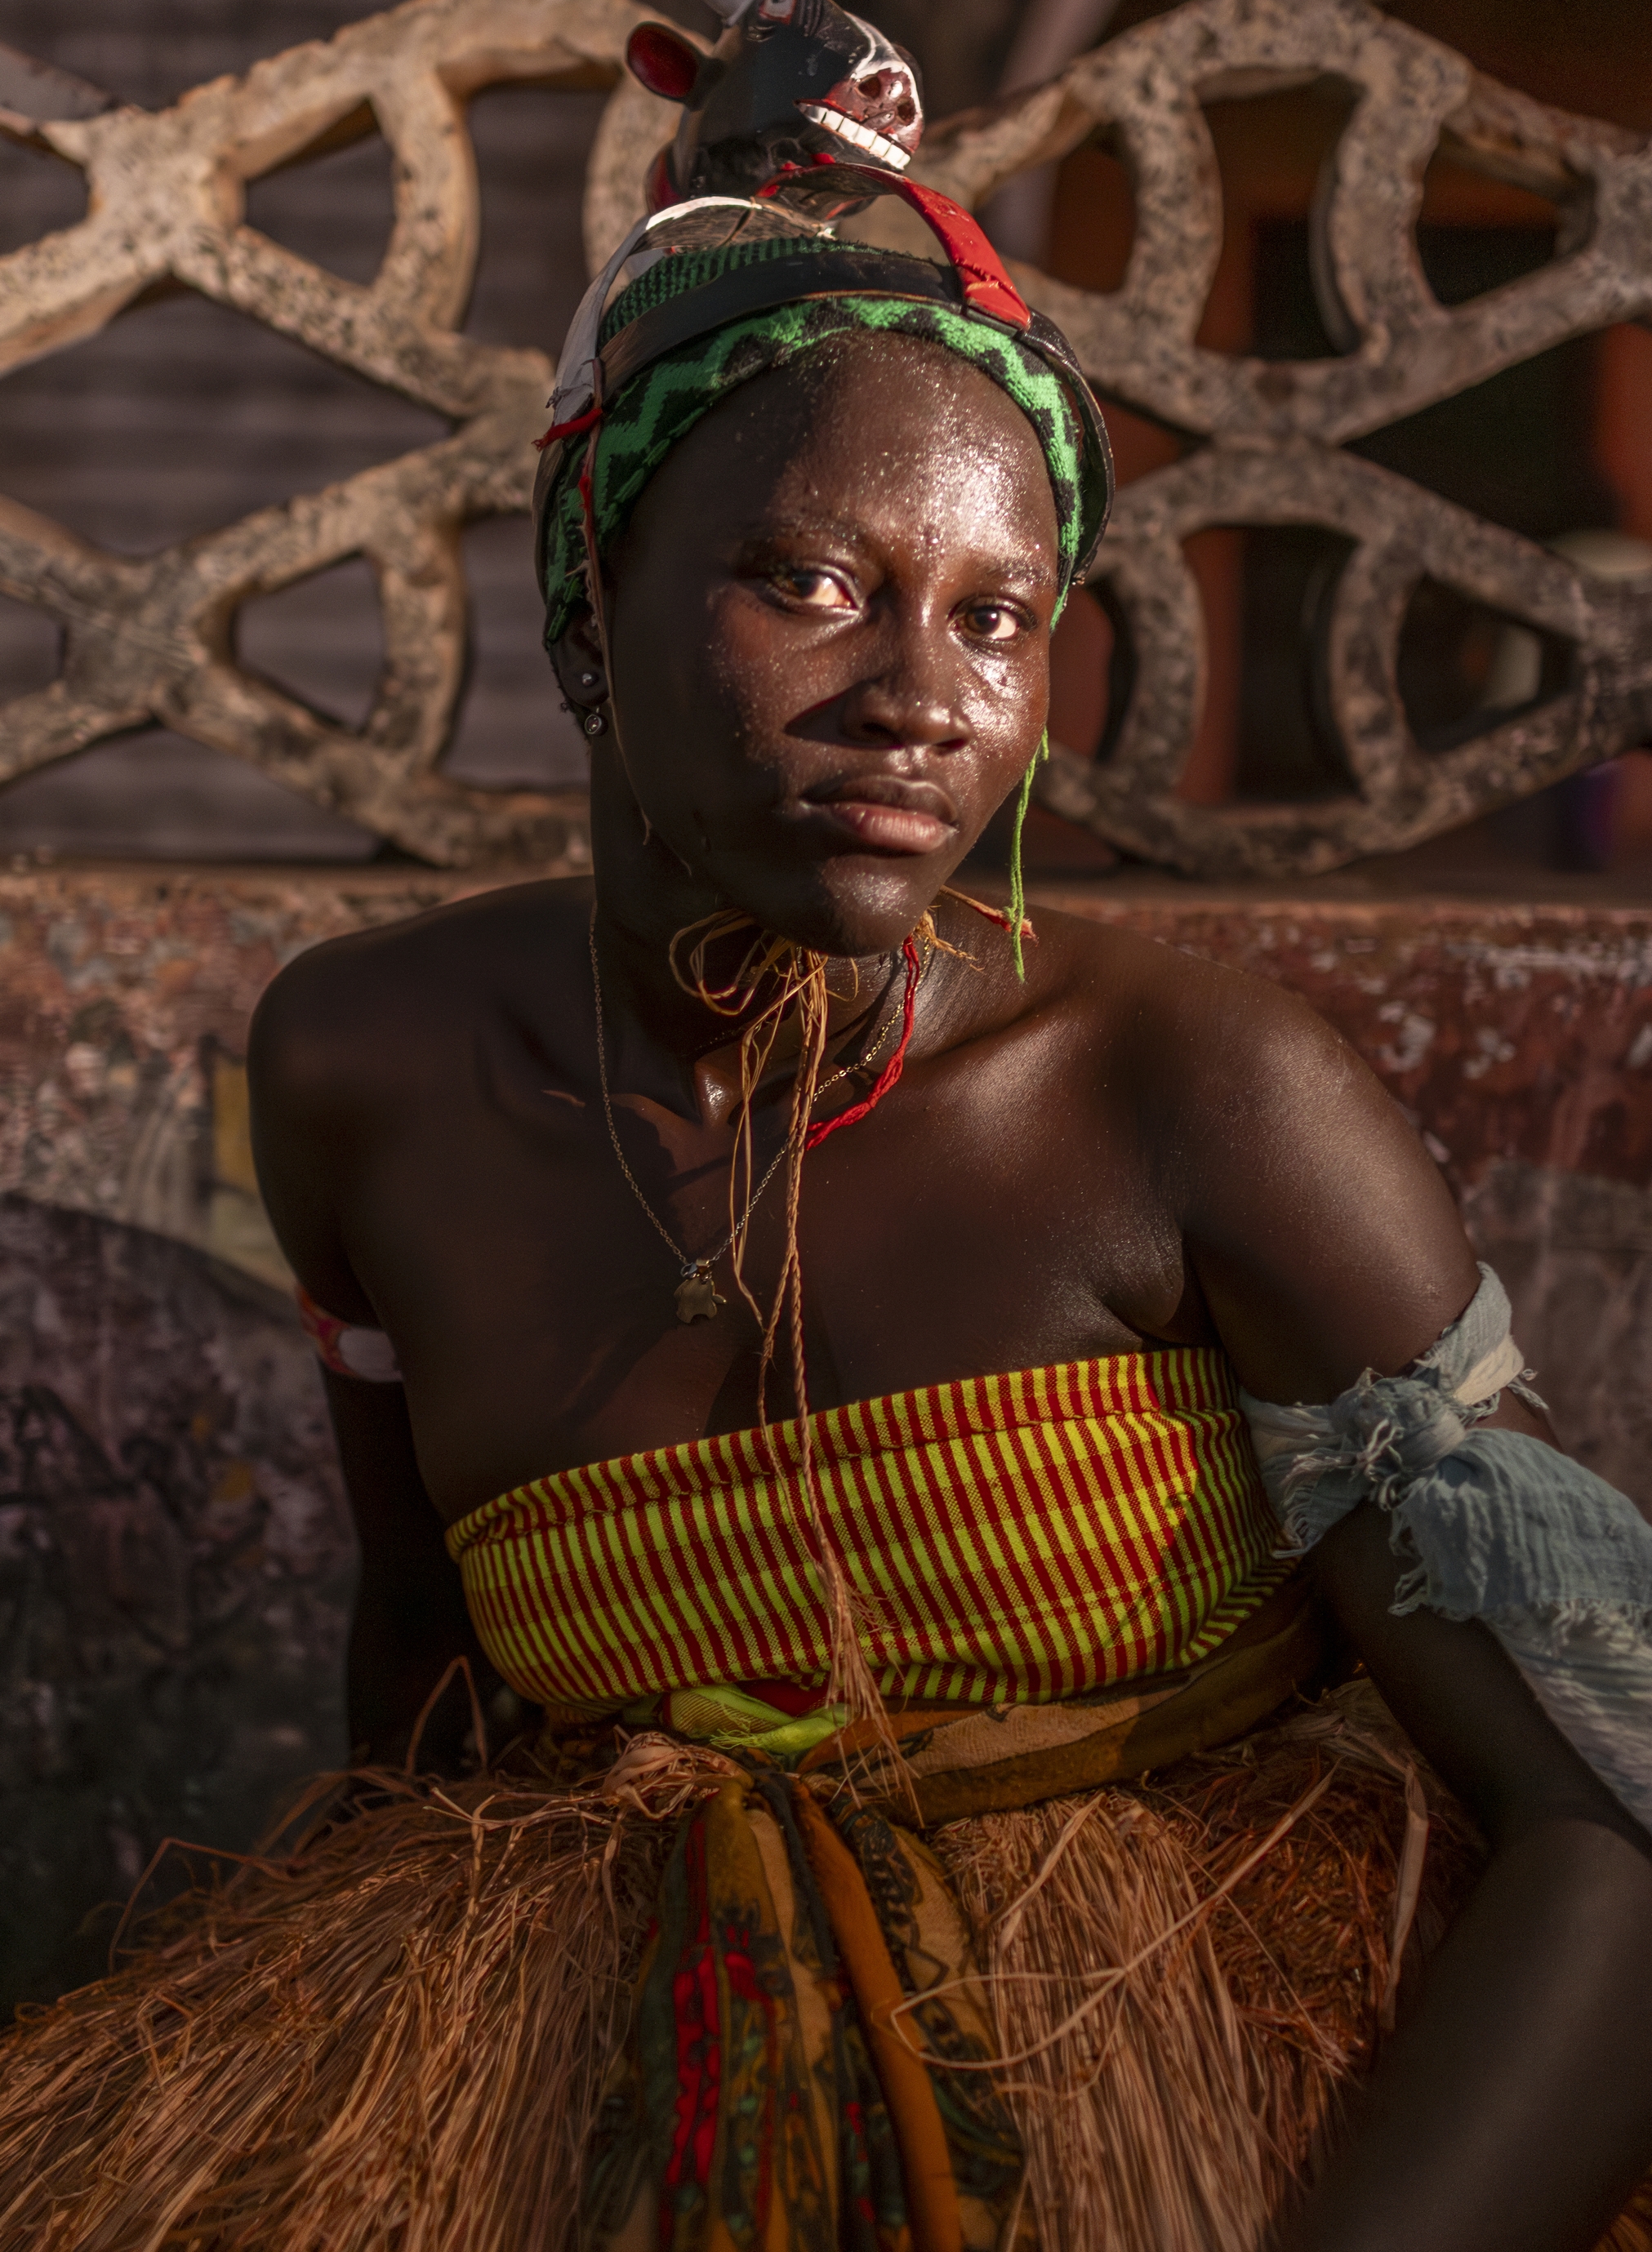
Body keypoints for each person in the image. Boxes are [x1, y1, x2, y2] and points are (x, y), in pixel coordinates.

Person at [3, 138, 1651, 2252]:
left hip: (1194, 2123)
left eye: (997, 615)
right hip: (632, 2084)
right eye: (812, 580)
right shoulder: (367, 1073)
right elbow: (430, 1686)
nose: (924, 699)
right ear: (588, 603)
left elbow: (1608, 1798)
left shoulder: (1190, 1091)